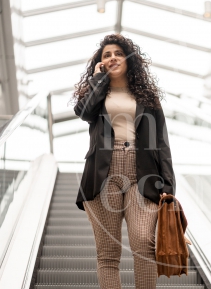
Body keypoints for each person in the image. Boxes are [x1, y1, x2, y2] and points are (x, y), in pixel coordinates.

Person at [71, 34, 175, 289]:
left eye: (118, 53)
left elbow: (161, 142)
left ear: (129, 59)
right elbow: (83, 112)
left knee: (143, 243)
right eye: (106, 55)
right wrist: (98, 80)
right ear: (100, 62)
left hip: (144, 174)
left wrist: (169, 186)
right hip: (102, 175)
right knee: (108, 253)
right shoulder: (96, 92)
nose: (112, 57)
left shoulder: (148, 97)